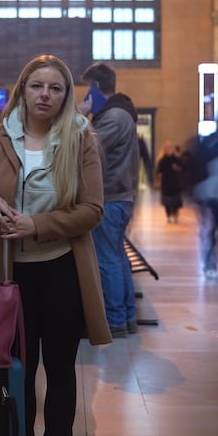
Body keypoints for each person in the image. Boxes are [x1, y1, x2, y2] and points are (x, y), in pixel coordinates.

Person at [0, 54, 110, 436]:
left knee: (60, 371)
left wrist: (37, 226)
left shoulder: (81, 139)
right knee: (15, 374)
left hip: (61, 269)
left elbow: (93, 210)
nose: (45, 95)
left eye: (55, 88)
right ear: (23, 89)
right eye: (37, 86)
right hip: (8, 276)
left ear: (66, 96)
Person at [78, 62, 140, 337]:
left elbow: (86, 150)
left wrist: (80, 118)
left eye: (86, 91)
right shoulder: (118, 114)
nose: (83, 98)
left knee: (107, 260)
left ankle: (115, 320)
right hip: (120, 197)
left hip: (112, 198)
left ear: (96, 88)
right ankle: (126, 316)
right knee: (116, 257)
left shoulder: (113, 117)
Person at [187, 129, 218, 278]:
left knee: (209, 229)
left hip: (209, 195)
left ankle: (210, 263)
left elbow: (197, 173)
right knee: (217, 226)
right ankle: (213, 256)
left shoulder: (205, 150)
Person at [155, 141, 185, 223]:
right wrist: (159, 175)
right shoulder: (162, 160)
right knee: (167, 201)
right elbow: (159, 171)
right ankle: (168, 215)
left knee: (175, 201)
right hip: (166, 182)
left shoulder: (177, 159)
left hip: (175, 182)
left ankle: (175, 213)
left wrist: (177, 168)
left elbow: (182, 168)